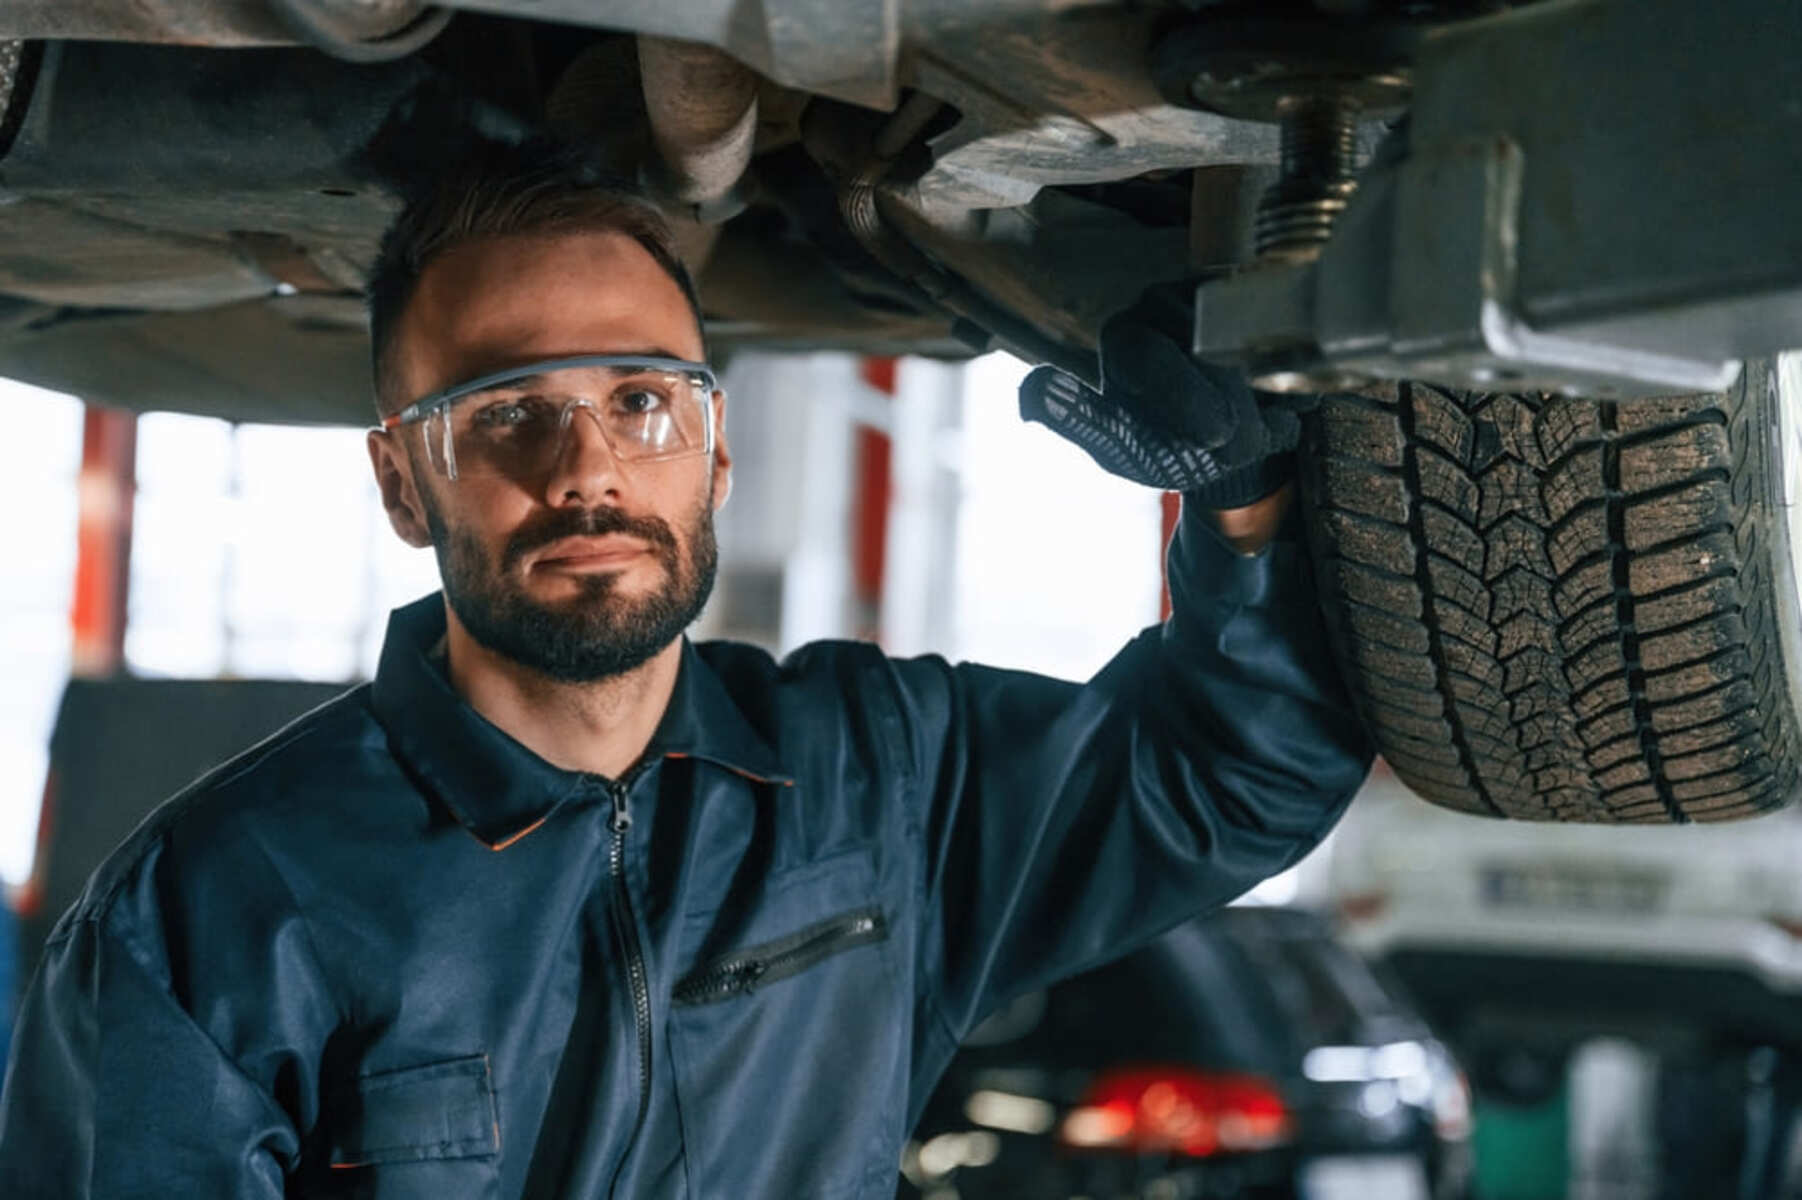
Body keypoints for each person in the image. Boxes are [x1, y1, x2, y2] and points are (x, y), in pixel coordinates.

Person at [0, 143, 1371, 1198]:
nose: (586, 465)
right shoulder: (216, 907)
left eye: (640, 401)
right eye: (507, 412)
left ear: (714, 452)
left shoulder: (877, 779)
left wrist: (1239, 497)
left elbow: (1225, 780)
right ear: (403, 481)